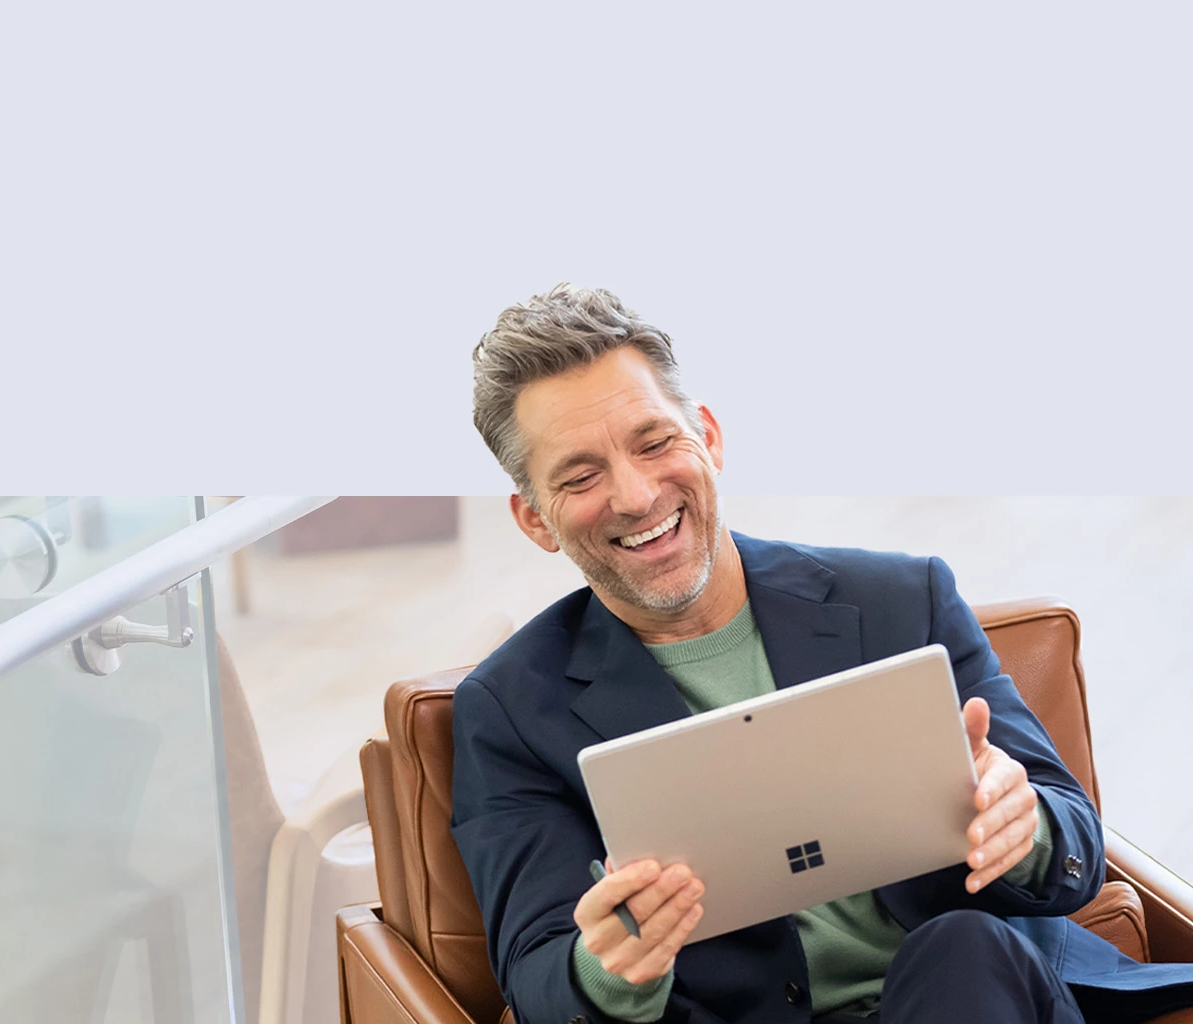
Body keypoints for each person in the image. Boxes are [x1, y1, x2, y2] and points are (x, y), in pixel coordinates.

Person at [451, 284, 1193, 1024]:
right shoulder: (511, 710)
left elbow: (1074, 849)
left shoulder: (903, 600)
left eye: (655, 443)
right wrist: (610, 966)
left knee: (962, 948)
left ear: (707, 438)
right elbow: (539, 974)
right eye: (581, 477)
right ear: (535, 519)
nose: (637, 495)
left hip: (981, 995)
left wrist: (1020, 824)